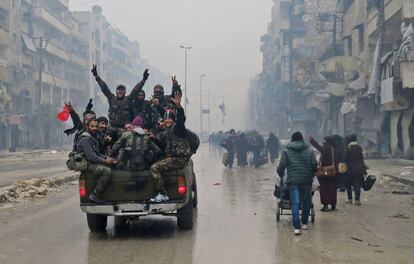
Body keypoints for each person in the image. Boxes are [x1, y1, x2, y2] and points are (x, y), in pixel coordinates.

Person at [150, 81, 193, 203]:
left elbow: (181, 119)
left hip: (179, 159)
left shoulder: (178, 128)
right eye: (166, 118)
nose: (168, 120)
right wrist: (154, 139)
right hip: (172, 158)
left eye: (170, 118)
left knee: (154, 168)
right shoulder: (166, 132)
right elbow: (164, 146)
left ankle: (163, 193)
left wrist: (178, 106)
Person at [277, 131, 317, 235]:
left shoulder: (286, 151)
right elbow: (314, 164)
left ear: (292, 139)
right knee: (306, 201)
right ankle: (304, 223)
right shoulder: (309, 150)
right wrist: (311, 174)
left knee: (295, 202)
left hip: (293, 181)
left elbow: (282, 166)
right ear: (302, 139)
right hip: (306, 181)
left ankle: (296, 227)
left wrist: (280, 174)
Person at [91, 64, 149, 130]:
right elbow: (104, 88)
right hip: (112, 128)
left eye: (122, 90)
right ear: (116, 91)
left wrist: (143, 80)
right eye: (119, 89)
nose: (120, 91)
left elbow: (136, 90)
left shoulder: (128, 99)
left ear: (125, 92)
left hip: (125, 129)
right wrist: (97, 76)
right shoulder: (112, 98)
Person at [74, 118, 117, 204]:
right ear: (87, 126)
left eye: (96, 126)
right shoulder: (86, 138)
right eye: (92, 126)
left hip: (90, 162)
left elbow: (97, 153)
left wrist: (107, 158)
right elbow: (91, 156)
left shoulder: (92, 137)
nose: (94, 128)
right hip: (87, 164)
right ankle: (95, 195)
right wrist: (105, 161)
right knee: (106, 171)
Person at [309, 136, 339, 211]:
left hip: (324, 173)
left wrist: (312, 141)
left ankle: (325, 205)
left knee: (324, 189)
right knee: (332, 189)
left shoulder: (326, 148)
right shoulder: (334, 149)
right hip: (332, 172)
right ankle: (333, 205)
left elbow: (318, 147)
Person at [343, 135, 367, 206]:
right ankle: (357, 200)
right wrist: (364, 170)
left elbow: (344, 159)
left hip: (349, 170)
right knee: (357, 185)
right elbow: (361, 159)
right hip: (359, 170)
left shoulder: (348, 148)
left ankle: (350, 199)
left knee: (348, 185)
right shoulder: (359, 148)